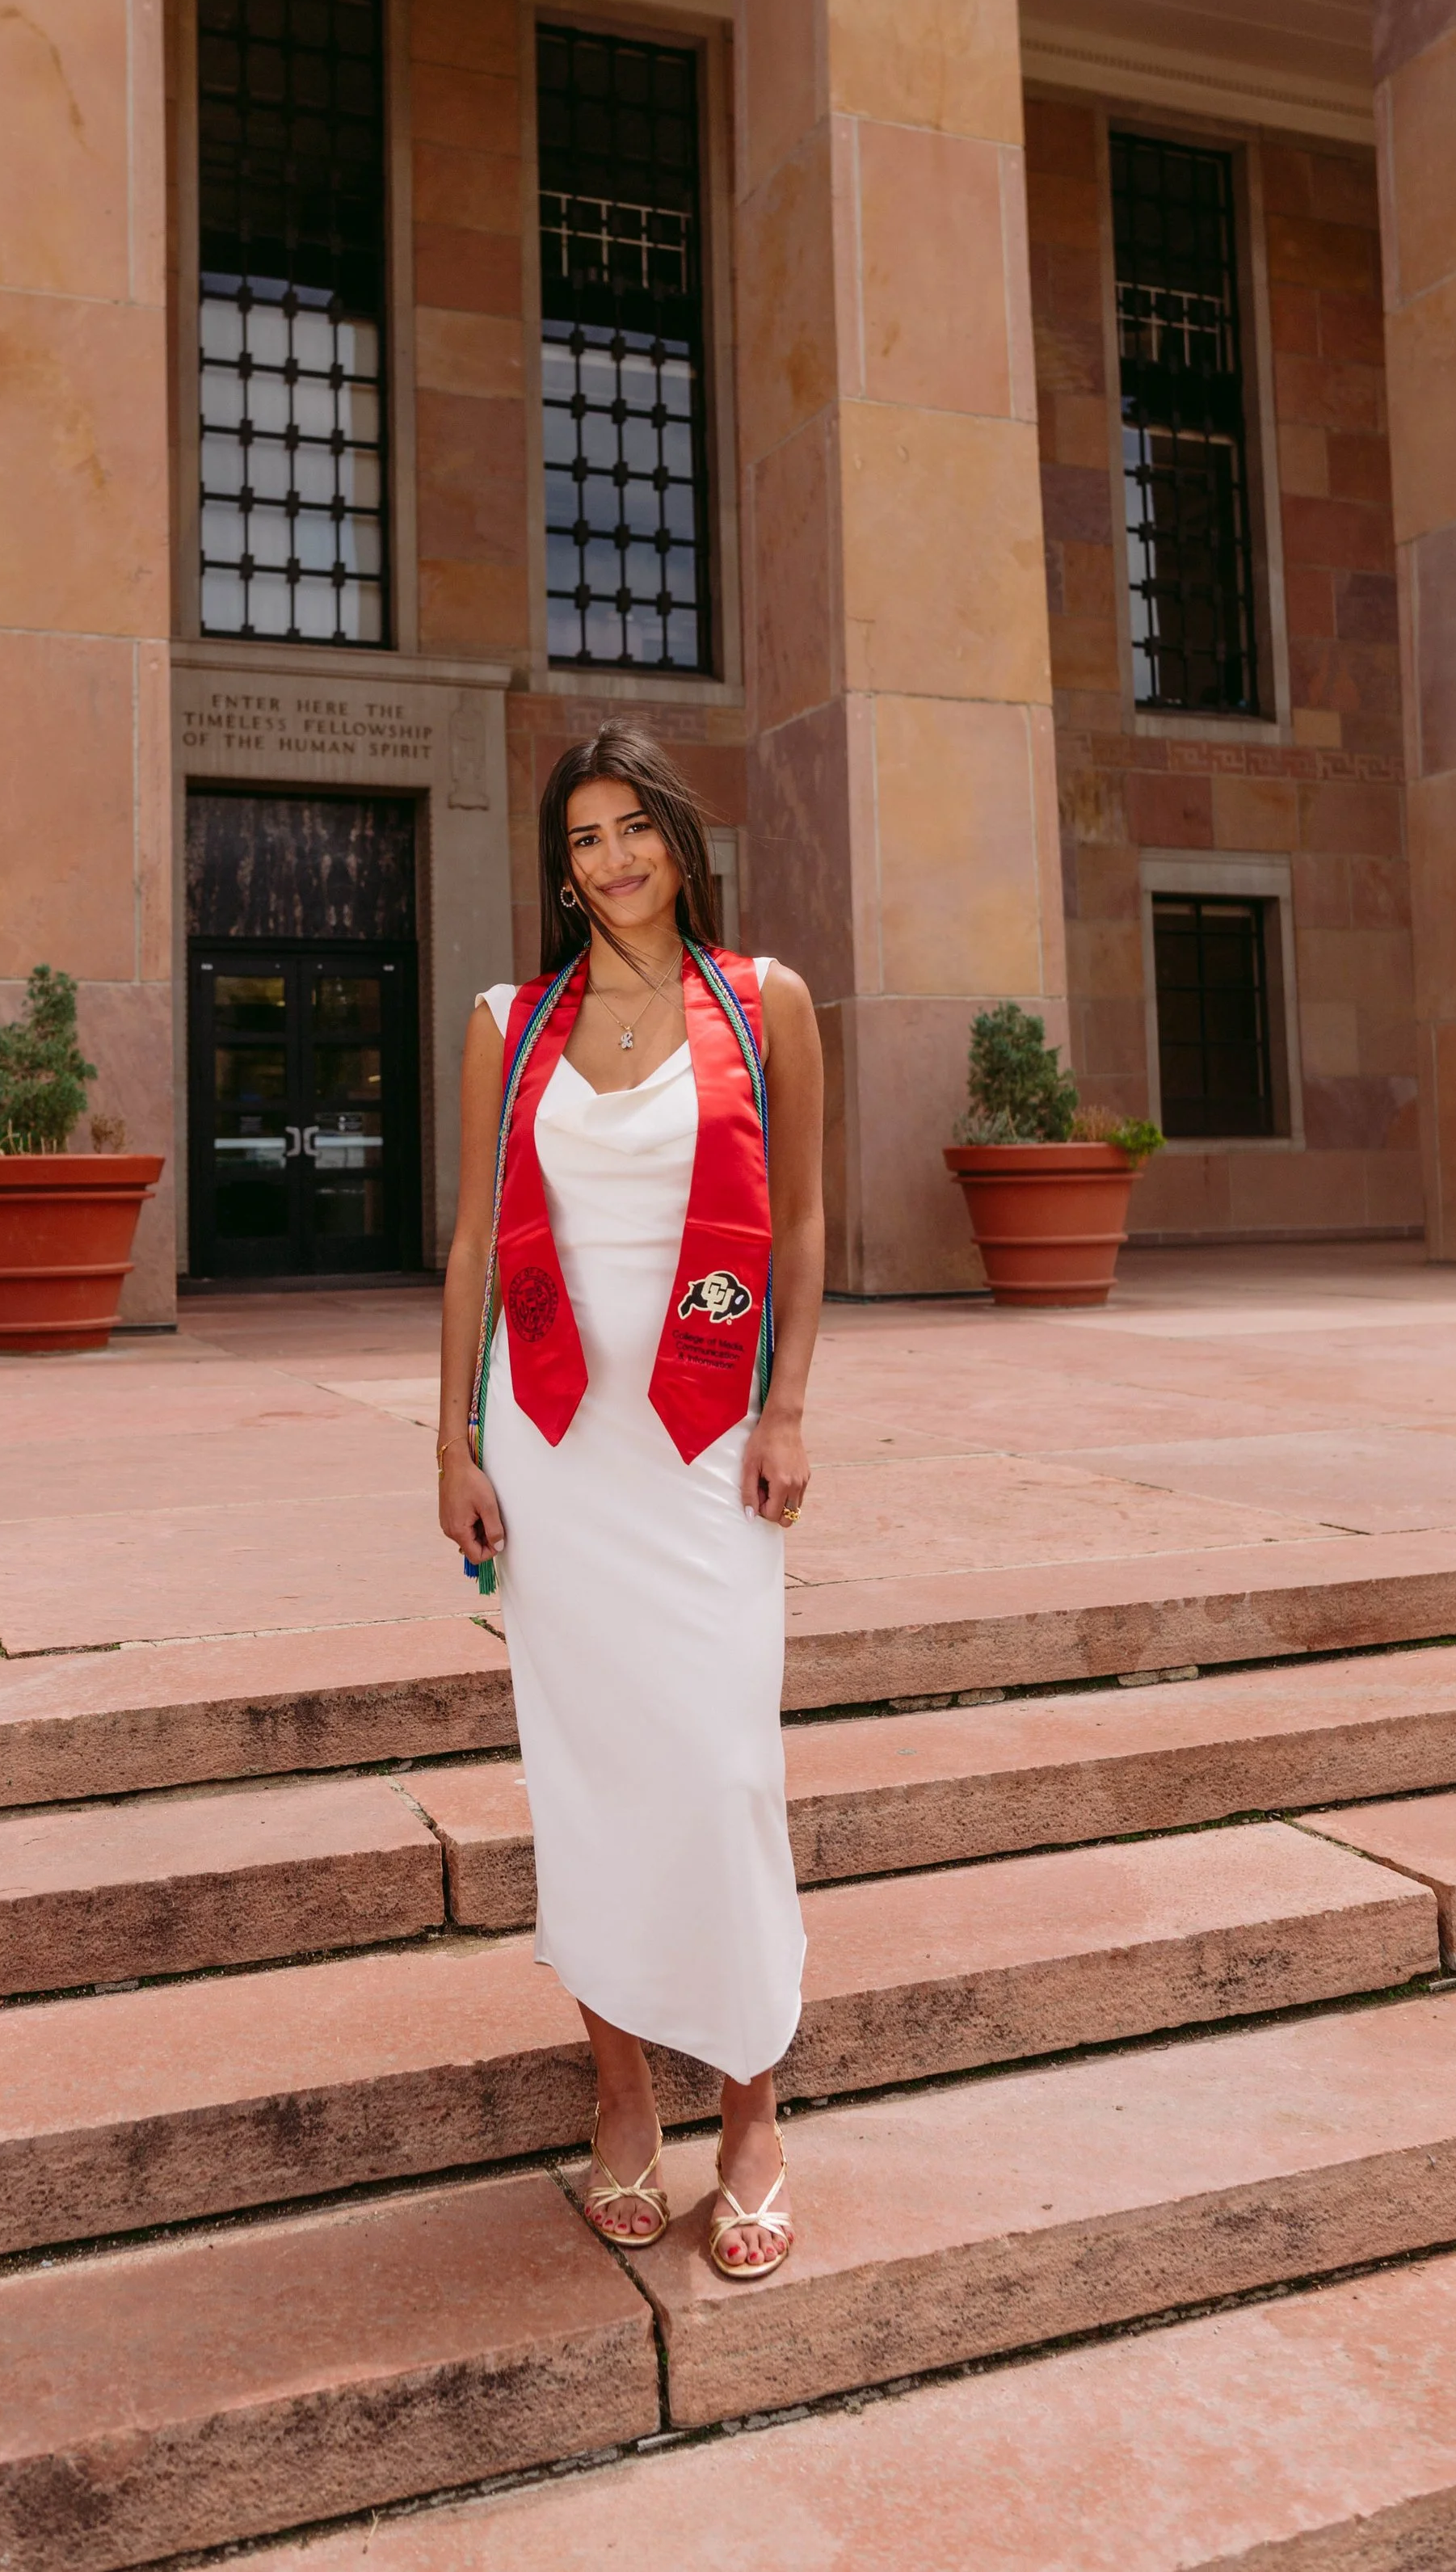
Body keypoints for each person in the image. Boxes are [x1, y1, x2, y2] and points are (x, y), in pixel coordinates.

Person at [437, 721, 824, 2279]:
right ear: (562, 865)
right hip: (553, 1451)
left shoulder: (765, 1000)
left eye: (632, 828)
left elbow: (802, 1222)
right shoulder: (509, 1024)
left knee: (725, 1768)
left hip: (706, 1449)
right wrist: (448, 1444)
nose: (610, 860)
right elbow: (471, 1243)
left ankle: (752, 2111)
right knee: (588, 1775)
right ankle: (619, 2100)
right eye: (582, 838)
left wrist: (788, 1403)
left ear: (676, 834)